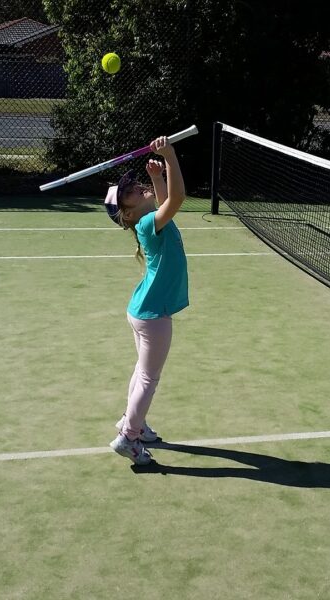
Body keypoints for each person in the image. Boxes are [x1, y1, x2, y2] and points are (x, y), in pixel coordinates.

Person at [103, 136, 188, 465]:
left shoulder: (151, 219)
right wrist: (170, 155)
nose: (136, 188)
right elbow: (177, 198)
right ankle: (129, 438)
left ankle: (131, 420)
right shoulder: (147, 224)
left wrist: (155, 178)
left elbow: (166, 200)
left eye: (134, 185)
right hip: (153, 316)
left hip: (142, 311)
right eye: (129, 193)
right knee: (149, 378)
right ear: (127, 214)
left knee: (143, 372)